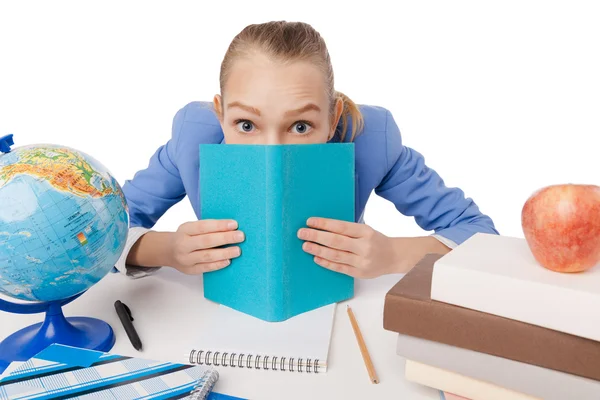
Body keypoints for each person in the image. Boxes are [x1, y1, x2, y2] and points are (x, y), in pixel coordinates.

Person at [115, 20, 498, 280]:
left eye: (300, 126)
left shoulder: (370, 138)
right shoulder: (192, 137)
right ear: (220, 115)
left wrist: (393, 256)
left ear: (333, 120)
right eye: (246, 125)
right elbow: (103, 231)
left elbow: (480, 237)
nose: (273, 155)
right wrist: (166, 249)